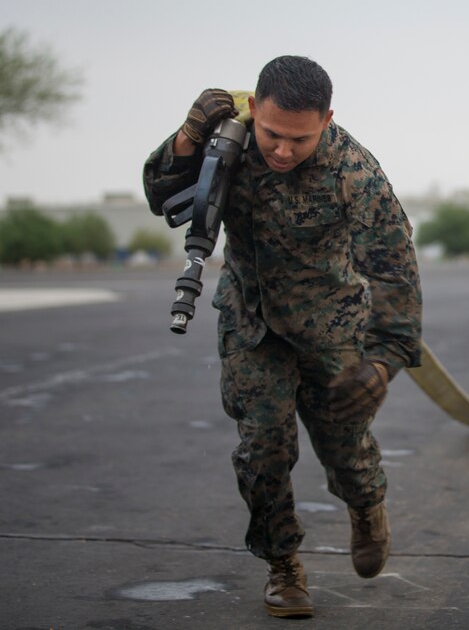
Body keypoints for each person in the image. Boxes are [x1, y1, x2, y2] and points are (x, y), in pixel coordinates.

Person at [143, 56, 422, 619]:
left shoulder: (355, 172)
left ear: (327, 120)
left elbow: (393, 267)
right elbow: (162, 197)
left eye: (301, 139)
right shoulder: (228, 142)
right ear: (254, 110)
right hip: (252, 321)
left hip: (332, 327)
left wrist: (384, 360)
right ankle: (282, 565)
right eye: (272, 134)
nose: (283, 150)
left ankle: (367, 506)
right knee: (262, 449)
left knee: (346, 450)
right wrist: (187, 135)